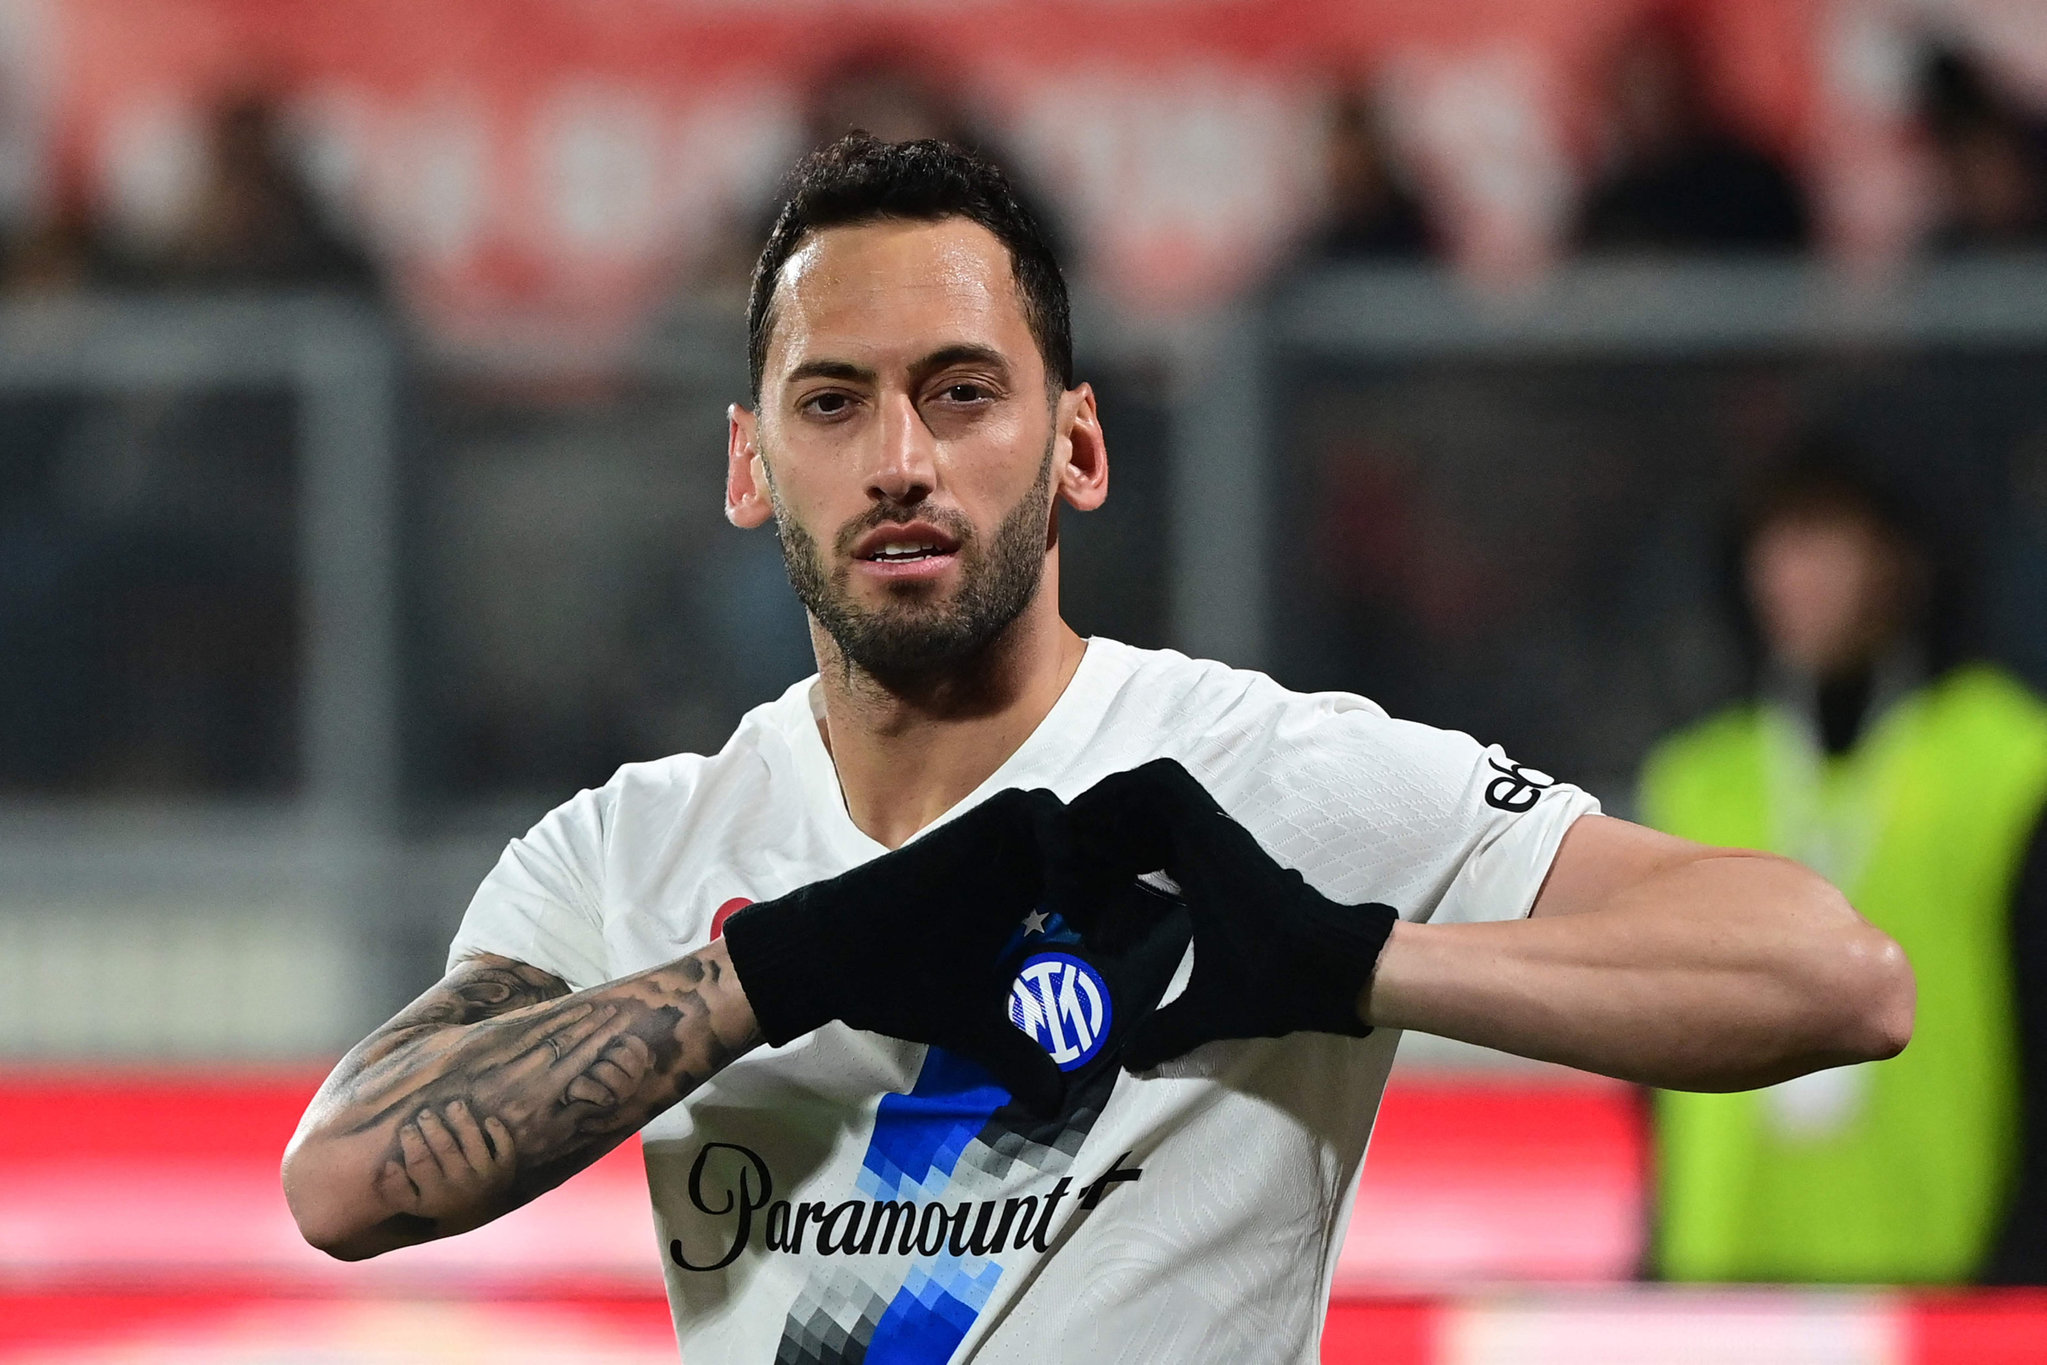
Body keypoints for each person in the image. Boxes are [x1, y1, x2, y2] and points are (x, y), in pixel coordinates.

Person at [284, 135, 1911, 1360]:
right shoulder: (627, 852)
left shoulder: (1263, 776)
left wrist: (1342, 961)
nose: (900, 459)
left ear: (1074, 445)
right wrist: (778, 968)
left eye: (960, 392)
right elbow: (342, 1185)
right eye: (832, 402)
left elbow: (1839, 980)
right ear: (746, 465)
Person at [1642, 452, 2047, 1283]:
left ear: (1902, 557)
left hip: (1942, 1273)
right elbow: (1643, 1049)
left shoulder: (2006, 764)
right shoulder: (1697, 781)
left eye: (1824, 538)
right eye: (1773, 542)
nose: (1791, 574)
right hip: (1721, 1272)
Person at [1578, 15, 1810, 252]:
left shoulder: (1750, 184)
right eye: (1634, 90)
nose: (1646, 107)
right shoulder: (1615, 205)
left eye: (1658, 85)